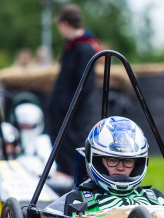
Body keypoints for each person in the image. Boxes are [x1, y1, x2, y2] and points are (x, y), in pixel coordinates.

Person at [64, 116, 164, 215]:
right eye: (113, 160)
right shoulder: (79, 199)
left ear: (138, 163)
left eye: (128, 161)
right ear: (98, 161)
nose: (120, 168)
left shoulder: (156, 198)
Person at [45, 4, 100, 177]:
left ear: (65, 24)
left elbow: (86, 85)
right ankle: (63, 170)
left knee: (71, 143)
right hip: (61, 110)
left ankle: (70, 174)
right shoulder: (71, 46)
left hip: (73, 114)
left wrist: (69, 107)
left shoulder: (84, 49)